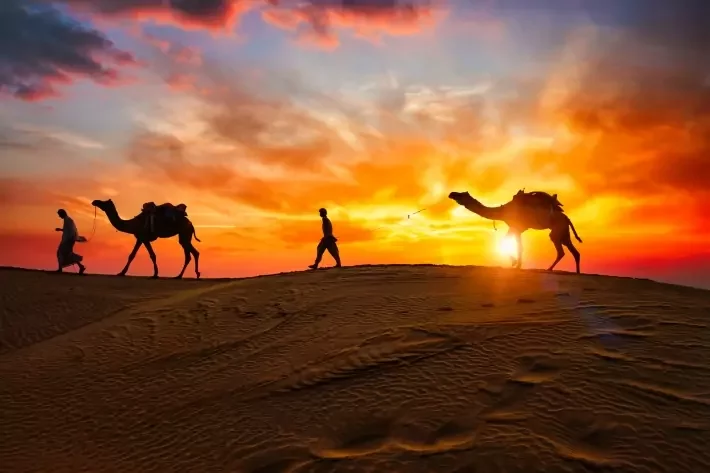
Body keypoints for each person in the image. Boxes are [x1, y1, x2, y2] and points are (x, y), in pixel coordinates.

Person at [55, 208, 86, 274]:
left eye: (59, 215)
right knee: (65, 254)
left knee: (61, 252)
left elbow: (72, 231)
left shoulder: (68, 220)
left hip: (68, 241)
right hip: (67, 240)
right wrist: (60, 229)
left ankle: (60, 269)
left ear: (62, 214)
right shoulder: (67, 220)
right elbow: (67, 230)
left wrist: (71, 239)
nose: (59, 216)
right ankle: (81, 266)